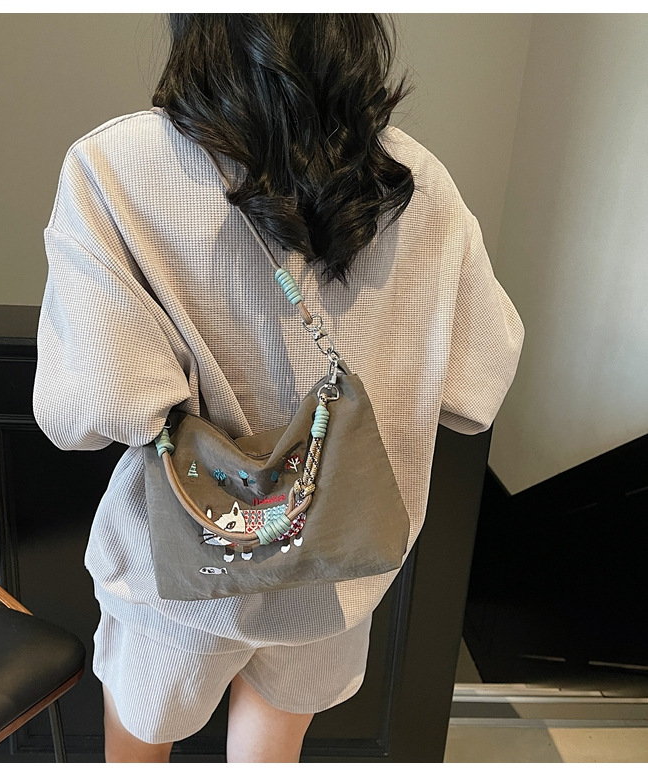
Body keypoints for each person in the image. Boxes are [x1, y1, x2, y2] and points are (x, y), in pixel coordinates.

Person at [32, 13, 524, 763]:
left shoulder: (113, 165)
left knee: (139, 752)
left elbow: (98, 408)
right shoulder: (415, 179)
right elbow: (474, 385)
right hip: (334, 564)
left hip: (185, 570)